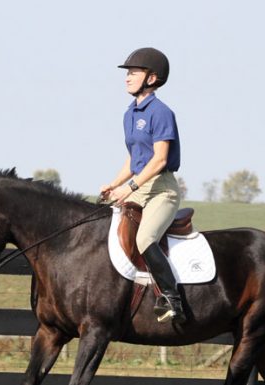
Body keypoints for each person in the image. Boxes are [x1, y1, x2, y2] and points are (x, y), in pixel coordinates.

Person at [100, 47, 185, 324]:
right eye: (128, 73)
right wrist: (114, 185)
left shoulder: (160, 112)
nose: (127, 77)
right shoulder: (130, 113)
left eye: (133, 72)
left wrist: (131, 187)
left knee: (145, 239)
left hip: (161, 189)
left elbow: (159, 160)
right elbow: (134, 157)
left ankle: (172, 299)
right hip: (140, 185)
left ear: (152, 78)